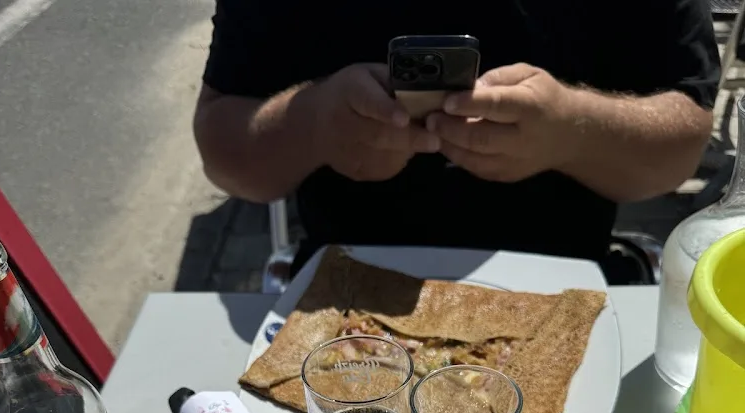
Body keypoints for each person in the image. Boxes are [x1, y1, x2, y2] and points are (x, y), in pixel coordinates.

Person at [194, 2, 719, 272]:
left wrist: (573, 132)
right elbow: (222, 148)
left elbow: (681, 143)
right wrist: (313, 125)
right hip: (344, 302)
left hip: (563, 297)